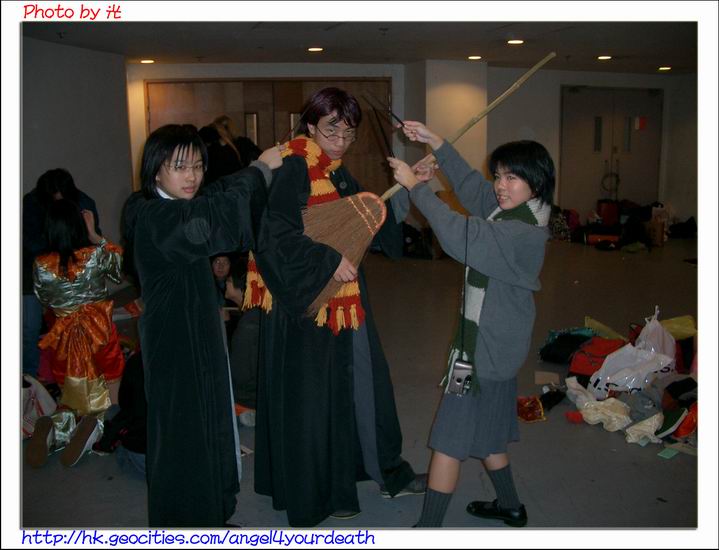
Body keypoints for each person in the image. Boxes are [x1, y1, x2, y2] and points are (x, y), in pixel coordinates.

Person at [247, 87, 425, 528]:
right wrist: (327, 260)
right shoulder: (292, 166)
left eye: (348, 133)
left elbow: (369, 219)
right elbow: (273, 236)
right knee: (313, 404)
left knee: (363, 385)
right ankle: (317, 493)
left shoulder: (337, 171)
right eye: (332, 131)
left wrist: (407, 187)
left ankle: (380, 470)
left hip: (344, 304)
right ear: (310, 125)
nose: (341, 141)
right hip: (304, 310)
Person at [388, 121, 555, 528]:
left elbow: (458, 234)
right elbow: (471, 188)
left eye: (511, 178)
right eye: (498, 175)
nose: (499, 186)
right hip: (499, 349)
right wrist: (436, 142)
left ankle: (429, 530)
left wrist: (416, 187)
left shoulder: (520, 232)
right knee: (489, 434)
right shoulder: (516, 211)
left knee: (447, 440)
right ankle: (511, 506)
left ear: (536, 183)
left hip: (478, 356)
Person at [121, 123, 282, 527]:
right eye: (179, 167)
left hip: (196, 332)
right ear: (156, 170)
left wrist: (250, 173)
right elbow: (213, 217)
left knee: (209, 422)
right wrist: (259, 171)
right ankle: (185, 526)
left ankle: (209, 515)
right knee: (183, 435)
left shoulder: (165, 203)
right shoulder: (155, 215)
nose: (191, 176)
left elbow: (213, 194)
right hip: (175, 343)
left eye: (197, 165)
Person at [26, 199, 124, 468]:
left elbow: (43, 297)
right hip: (98, 330)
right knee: (111, 378)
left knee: (70, 388)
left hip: (63, 334)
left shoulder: (41, 264)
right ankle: (101, 425)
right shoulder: (93, 255)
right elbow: (119, 268)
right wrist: (95, 235)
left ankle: (57, 426)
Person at [22, 169, 101, 379]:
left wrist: (90, 241)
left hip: (74, 270)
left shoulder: (84, 203)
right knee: (30, 327)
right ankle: (29, 377)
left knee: (84, 328)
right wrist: (59, 244)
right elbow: (30, 244)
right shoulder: (31, 204)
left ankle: (84, 372)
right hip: (36, 270)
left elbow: (98, 245)